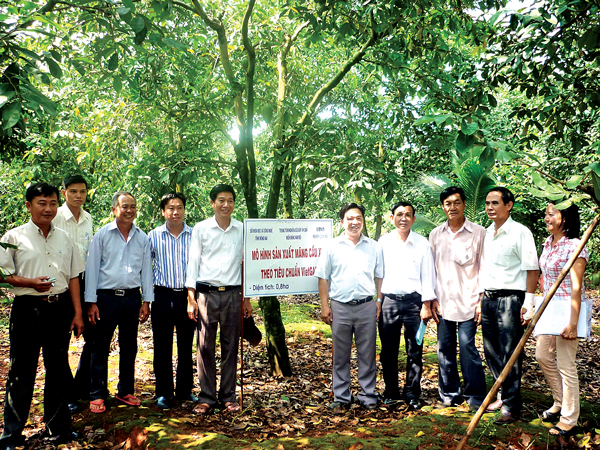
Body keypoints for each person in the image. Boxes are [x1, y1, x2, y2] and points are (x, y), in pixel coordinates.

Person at [0, 182, 84, 450]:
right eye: (41, 203)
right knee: (21, 371)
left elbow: (72, 276)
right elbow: (2, 276)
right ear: (28, 205)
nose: (48, 209)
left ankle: (58, 428)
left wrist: (78, 313)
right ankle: (11, 435)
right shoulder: (13, 237)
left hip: (59, 309)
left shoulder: (65, 237)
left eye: (52, 203)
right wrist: (29, 282)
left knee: (58, 368)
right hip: (27, 309)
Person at [185, 184, 252, 414]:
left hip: (233, 294)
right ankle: (206, 397)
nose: (226, 205)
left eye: (230, 200)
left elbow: (247, 265)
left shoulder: (242, 229)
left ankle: (228, 396)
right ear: (212, 203)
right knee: (204, 346)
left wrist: (247, 298)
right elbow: (193, 263)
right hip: (206, 294)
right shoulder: (201, 229)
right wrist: (191, 297)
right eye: (221, 200)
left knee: (231, 345)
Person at [85, 191, 154, 413]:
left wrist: (147, 300)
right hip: (105, 298)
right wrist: (91, 301)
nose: (129, 210)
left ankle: (125, 390)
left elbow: (146, 273)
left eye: (133, 206)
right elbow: (92, 268)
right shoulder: (102, 235)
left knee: (129, 345)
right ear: (114, 209)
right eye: (124, 206)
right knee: (100, 345)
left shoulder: (142, 238)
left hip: (132, 298)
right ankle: (97, 393)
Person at [478, 186, 539, 424]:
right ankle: (503, 395)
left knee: (510, 353)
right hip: (489, 299)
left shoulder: (520, 232)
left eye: (495, 203)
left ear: (509, 205)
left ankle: (512, 407)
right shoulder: (486, 232)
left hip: (510, 300)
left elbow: (532, 268)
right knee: (491, 350)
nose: (490, 208)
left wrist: (529, 302)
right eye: (487, 204)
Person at [315, 203, 383, 410]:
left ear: (363, 221)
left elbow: (380, 276)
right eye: (350, 218)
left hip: (366, 306)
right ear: (342, 222)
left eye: (359, 218)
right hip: (340, 307)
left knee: (367, 353)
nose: (355, 222)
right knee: (340, 355)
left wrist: (378, 301)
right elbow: (323, 277)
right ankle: (341, 396)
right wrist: (325, 306)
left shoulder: (374, 246)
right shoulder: (331, 246)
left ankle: (368, 395)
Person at [428, 186, 487, 410]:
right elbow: (430, 270)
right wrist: (431, 298)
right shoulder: (435, 234)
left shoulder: (478, 232)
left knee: (468, 348)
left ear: (464, 204)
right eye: (447, 204)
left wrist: (481, 299)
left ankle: (475, 396)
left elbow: (484, 267)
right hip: (443, 303)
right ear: (443, 207)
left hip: (469, 302)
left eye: (456, 202)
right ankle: (449, 395)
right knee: (444, 349)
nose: (452, 207)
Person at [534, 203, 588, 437]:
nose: (546, 217)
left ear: (564, 218)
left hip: (568, 310)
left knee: (566, 364)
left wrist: (573, 323)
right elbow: (545, 277)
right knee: (542, 355)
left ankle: (569, 418)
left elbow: (576, 287)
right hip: (549, 308)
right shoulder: (548, 243)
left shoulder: (575, 246)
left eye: (551, 214)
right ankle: (559, 402)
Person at [378, 201, 436, 410]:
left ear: (413, 218)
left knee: (415, 350)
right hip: (389, 303)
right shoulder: (383, 242)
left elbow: (428, 276)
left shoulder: (422, 244)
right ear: (392, 217)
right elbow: (378, 274)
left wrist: (426, 305)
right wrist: (378, 301)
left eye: (408, 214)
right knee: (388, 351)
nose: (403, 218)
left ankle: (412, 393)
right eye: (399, 214)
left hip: (414, 304)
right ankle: (391, 391)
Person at [148, 192, 196, 409]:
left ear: (184, 210)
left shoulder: (195, 235)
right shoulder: (153, 236)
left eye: (179, 207)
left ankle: (185, 390)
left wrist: (193, 297)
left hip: (188, 296)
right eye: (170, 208)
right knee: (162, 346)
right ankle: (164, 392)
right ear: (163, 211)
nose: (175, 212)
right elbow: (145, 269)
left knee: (186, 345)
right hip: (162, 295)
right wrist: (146, 299)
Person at [52, 174, 94, 413]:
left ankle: (81, 387)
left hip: (86, 282)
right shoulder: (55, 216)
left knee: (94, 337)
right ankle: (67, 394)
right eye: (74, 191)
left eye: (83, 191)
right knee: (61, 342)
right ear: (64, 191)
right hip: (61, 285)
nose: (79, 196)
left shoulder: (87, 218)